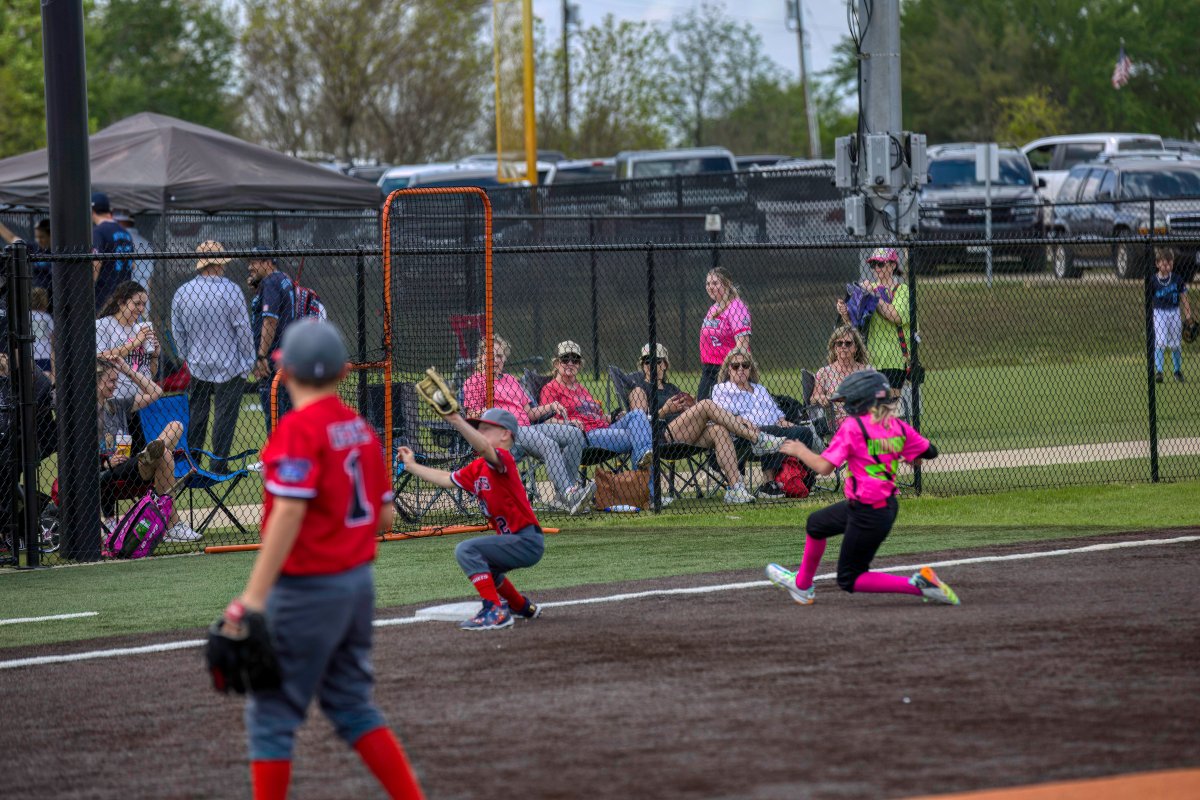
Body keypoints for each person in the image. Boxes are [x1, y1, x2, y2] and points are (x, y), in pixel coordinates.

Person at [217, 320, 425, 799]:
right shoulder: (361, 430)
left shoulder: (296, 429)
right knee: (352, 705)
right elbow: (385, 518)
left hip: (306, 588)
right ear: (344, 373)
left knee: (271, 716)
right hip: (356, 586)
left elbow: (289, 513)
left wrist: (251, 600)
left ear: (286, 373)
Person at [764, 369, 958, 607]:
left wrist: (800, 450)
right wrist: (909, 454)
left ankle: (919, 585)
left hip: (868, 511)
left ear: (862, 401)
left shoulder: (853, 427)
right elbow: (929, 452)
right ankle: (802, 585)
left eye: (849, 401)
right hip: (880, 507)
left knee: (850, 578)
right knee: (816, 524)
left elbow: (824, 467)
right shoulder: (895, 425)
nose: (846, 406)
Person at [397, 407, 546, 632]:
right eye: (478, 429)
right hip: (513, 541)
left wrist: (456, 420)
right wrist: (412, 466)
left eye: (485, 429)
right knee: (486, 568)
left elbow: (485, 448)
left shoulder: (504, 459)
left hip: (526, 540)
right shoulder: (478, 467)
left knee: (467, 550)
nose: (479, 432)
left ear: (505, 434)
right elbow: (446, 478)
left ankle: (494, 611)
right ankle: (522, 606)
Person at [628, 343, 785, 505]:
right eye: (647, 361)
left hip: (687, 435)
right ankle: (757, 438)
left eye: (657, 361)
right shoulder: (639, 390)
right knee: (706, 404)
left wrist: (690, 409)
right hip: (661, 437)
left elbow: (690, 414)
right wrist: (665, 410)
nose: (652, 365)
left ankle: (735, 489)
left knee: (719, 430)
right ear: (643, 365)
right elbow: (639, 424)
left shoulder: (672, 388)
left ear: (665, 364)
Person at [462, 334, 595, 515]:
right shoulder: (474, 381)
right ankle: (570, 493)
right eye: (491, 356)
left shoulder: (511, 380)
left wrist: (551, 406)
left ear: (505, 359)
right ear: (481, 358)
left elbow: (529, 413)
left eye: (500, 356)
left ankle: (564, 497)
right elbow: (471, 416)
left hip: (528, 429)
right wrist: (492, 412)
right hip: (504, 433)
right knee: (549, 444)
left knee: (574, 434)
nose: (496, 360)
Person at [96, 357, 199, 543]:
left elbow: (156, 392)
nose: (115, 385)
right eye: (111, 380)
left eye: (116, 380)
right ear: (96, 381)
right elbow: (77, 456)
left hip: (133, 464)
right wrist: (106, 462)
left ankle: (151, 454)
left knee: (176, 426)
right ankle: (173, 526)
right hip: (110, 471)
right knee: (165, 455)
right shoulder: (85, 412)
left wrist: (128, 370)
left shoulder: (117, 404)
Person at [171, 240, 254, 464]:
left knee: (197, 414)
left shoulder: (183, 292)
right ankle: (218, 464)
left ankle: (192, 463)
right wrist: (248, 360)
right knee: (224, 417)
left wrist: (185, 355)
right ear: (219, 264)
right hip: (229, 363)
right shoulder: (231, 290)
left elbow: (178, 330)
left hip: (197, 363)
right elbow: (243, 329)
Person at [709, 347, 815, 500]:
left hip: (774, 429)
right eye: (736, 366)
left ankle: (799, 479)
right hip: (744, 436)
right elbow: (720, 414)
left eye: (745, 365)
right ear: (728, 370)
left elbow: (776, 412)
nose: (741, 369)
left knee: (804, 432)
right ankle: (768, 484)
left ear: (750, 368)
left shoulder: (760, 389)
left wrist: (783, 421)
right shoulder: (722, 389)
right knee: (771, 432)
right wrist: (740, 420)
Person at [538, 340, 654, 468]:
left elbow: (597, 416)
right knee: (639, 436)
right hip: (585, 436)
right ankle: (644, 470)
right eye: (565, 359)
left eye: (575, 360)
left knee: (637, 414)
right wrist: (569, 423)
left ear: (579, 365)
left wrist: (613, 417)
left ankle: (644, 456)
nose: (570, 363)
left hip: (604, 429)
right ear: (556, 363)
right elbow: (546, 421)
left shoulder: (582, 389)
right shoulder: (550, 389)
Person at [837, 247, 910, 392]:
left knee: (889, 402)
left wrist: (873, 296)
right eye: (873, 264)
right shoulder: (867, 287)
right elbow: (855, 323)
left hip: (893, 358)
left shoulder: (902, 290)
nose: (876, 268)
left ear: (893, 265)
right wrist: (845, 312)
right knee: (870, 402)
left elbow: (896, 316)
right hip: (868, 357)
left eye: (880, 264)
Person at [248, 247, 296, 434]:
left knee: (274, 412)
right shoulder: (283, 278)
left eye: (254, 262)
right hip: (285, 353)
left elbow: (270, 320)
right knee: (286, 410)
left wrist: (261, 356)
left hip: (272, 357)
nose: (250, 267)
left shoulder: (271, 282)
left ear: (268, 263)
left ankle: (279, 450)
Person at [96, 281, 157, 401]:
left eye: (144, 304)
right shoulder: (103, 325)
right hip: (116, 400)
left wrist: (155, 355)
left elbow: (150, 373)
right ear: (121, 303)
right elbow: (100, 357)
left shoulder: (138, 328)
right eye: (137, 303)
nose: (141, 309)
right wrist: (135, 343)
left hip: (142, 400)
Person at [697, 267, 751, 400]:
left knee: (722, 410)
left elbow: (742, 346)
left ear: (726, 284)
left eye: (715, 283)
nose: (710, 287)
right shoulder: (714, 308)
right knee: (703, 407)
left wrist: (734, 371)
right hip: (709, 370)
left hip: (728, 370)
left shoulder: (737, 307)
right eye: (708, 283)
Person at [810, 325, 872, 433]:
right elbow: (813, 398)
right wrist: (822, 397)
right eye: (839, 343)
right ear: (834, 348)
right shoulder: (824, 372)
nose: (843, 346)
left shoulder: (867, 370)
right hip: (838, 420)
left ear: (856, 348)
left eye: (848, 343)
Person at [1151, 246, 1192, 383]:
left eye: (1170, 264)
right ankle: (1159, 371)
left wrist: (1188, 315)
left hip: (1174, 312)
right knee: (1161, 341)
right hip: (1159, 312)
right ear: (1157, 264)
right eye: (1164, 264)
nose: (1168, 267)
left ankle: (1177, 371)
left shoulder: (1177, 279)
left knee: (1175, 343)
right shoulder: (1153, 281)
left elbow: (1184, 298)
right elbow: (1148, 300)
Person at [91, 192, 135, 312]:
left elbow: (96, 263)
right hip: (124, 294)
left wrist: (88, 291)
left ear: (92, 210)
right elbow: (133, 265)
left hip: (104, 295)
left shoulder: (98, 231)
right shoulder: (125, 232)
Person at [113, 211, 153, 317]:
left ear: (120, 222)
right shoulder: (146, 243)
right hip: (144, 301)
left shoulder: (120, 241)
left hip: (126, 301)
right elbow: (150, 280)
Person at [30, 287, 54, 376]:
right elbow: (52, 336)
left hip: (30, 353)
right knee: (46, 376)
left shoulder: (27, 316)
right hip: (44, 354)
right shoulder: (46, 317)